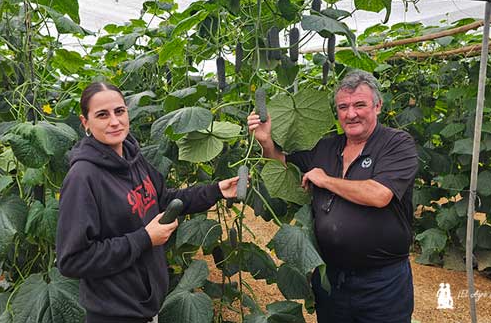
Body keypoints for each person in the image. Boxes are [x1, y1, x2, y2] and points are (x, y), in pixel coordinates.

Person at [56, 82, 241, 323]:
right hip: (114, 313)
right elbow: (72, 260)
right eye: (102, 115)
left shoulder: (134, 158)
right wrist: (144, 238)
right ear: (85, 122)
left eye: (119, 111)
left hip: (145, 305)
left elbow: (164, 199)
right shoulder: (83, 177)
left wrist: (216, 191)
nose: (114, 121)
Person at [248, 70, 418, 323]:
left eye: (360, 105)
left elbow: (380, 194)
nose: (351, 114)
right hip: (330, 278)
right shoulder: (326, 147)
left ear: (378, 106)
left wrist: (325, 180)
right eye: (343, 107)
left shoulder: (396, 143)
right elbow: (283, 165)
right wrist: (265, 142)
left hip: (382, 281)